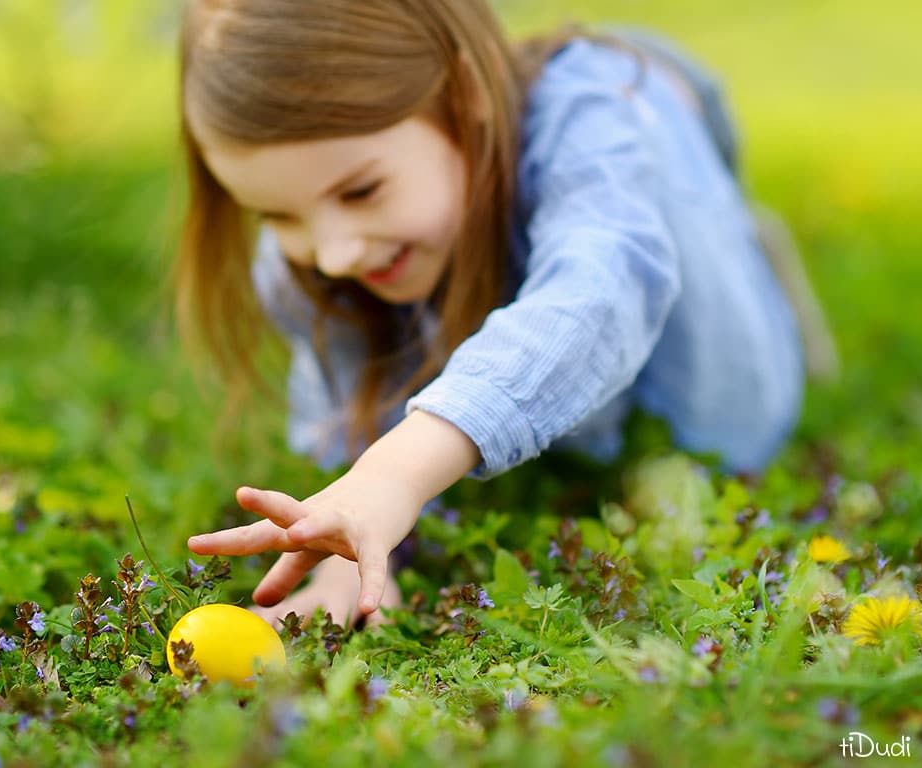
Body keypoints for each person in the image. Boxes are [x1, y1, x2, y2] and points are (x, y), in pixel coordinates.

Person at [177, 0, 827, 627]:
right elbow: (357, 405)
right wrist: (353, 544)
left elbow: (598, 290)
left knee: (723, 415)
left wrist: (396, 473)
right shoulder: (319, 242)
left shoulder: (593, 116)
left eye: (361, 191)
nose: (334, 252)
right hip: (505, 182)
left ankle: (730, 243)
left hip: (645, 124)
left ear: (465, 96)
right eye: (280, 215)